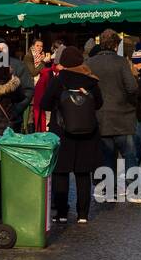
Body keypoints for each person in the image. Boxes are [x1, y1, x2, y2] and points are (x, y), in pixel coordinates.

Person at [38, 46, 102, 224]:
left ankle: (62, 212)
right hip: (88, 132)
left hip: (62, 132)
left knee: (61, 173)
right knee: (83, 174)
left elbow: (44, 103)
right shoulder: (90, 79)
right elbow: (99, 103)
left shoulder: (59, 80)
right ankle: (83, 214)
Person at [90, 29, 141, 203]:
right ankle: (133, 191)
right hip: (122, 117)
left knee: (107, 156)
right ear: (115, 44)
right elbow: (132, 87)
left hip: (101, 118)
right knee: (129, 155)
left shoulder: (90, 62)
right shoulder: (121, 62)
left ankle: (110, 191)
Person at [0, 41, 35, 132]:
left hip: (11, 120)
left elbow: (28, 90)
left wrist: (16, 110)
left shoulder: (18, 65)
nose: (1, 51)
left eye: (3, 48)